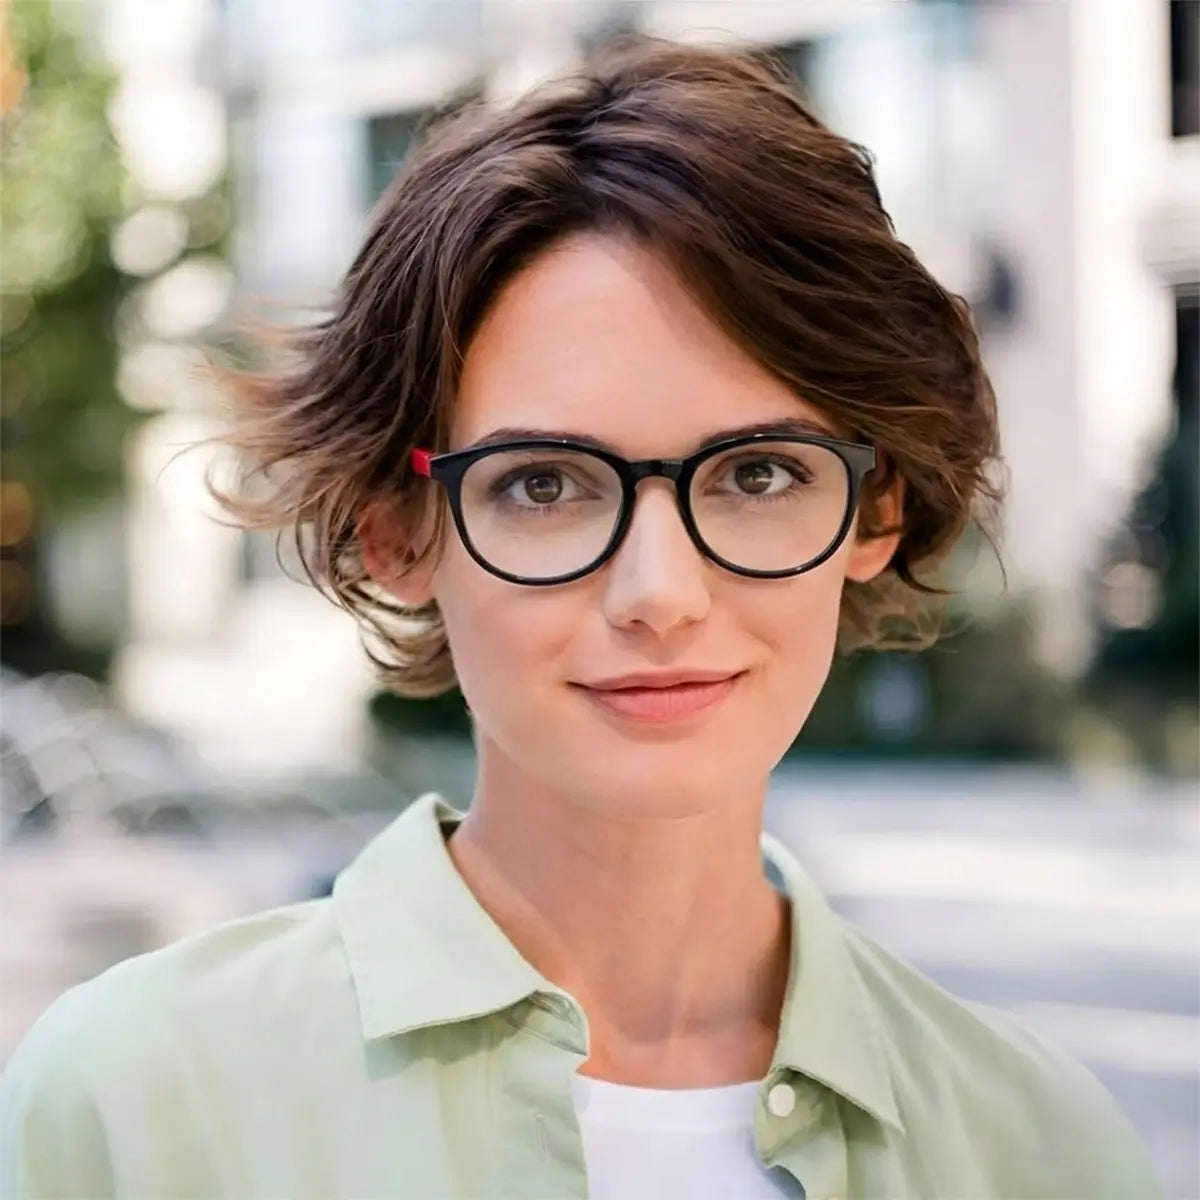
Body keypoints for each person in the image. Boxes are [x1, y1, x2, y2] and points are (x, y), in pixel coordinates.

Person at [0, 36, 1163, 1200]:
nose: (660, 594)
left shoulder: (1040, 1149)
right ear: (397, 532)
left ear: (875, 507)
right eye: (543, 485)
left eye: (758, 475)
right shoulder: (132, 1105)